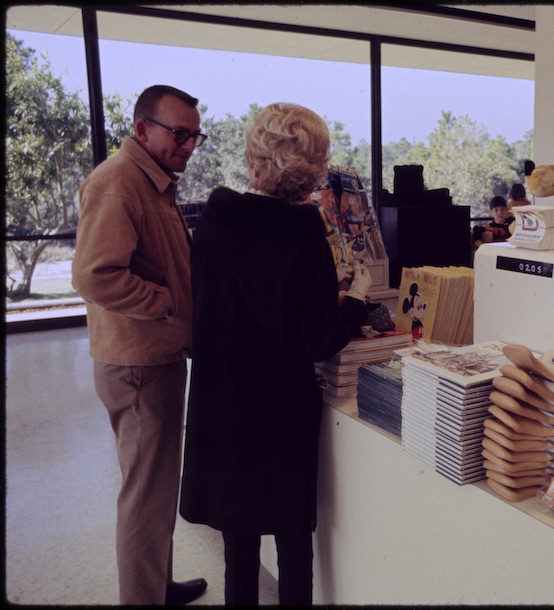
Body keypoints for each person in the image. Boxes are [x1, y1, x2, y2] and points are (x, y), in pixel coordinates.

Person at [179, 102, 371, 606]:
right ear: (311, 174)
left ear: (255, 161)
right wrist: (352, 306)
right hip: (280, 411)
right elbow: (316, 340)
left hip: (221, 403)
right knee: (291, 536)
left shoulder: (214, 225)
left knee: (237, 538)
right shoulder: (305, 239)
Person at [70, 85, 208, 605]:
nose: (188, 145)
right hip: (139, 363)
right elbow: (95, 276)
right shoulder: (119, 183)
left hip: (151, 356)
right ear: (141, 127)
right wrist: (168, 303)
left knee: (152, 489)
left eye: (194, 135)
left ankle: (157, 586)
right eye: (178, 133)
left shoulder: (149, 180)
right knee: (146, 495)